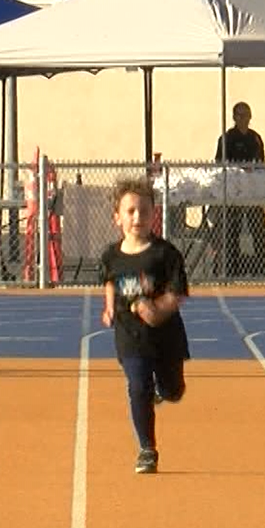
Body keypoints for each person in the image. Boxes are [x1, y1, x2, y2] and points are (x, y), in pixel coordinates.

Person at [99, 179, 190, 475]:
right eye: (130, 211)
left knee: (173, 390)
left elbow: (178, 292)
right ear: (118, 217)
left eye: (144, 211)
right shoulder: (111, 256)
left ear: (154, 215)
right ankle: (147, 448)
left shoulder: (165, 254)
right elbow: (110, 281)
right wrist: (110, 307)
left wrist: (157, 309)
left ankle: (166, 390)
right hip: (130, 336)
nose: (137, 217)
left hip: (165, 337)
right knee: (138, 386)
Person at [215, 101, 265, 277]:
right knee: (232, 230)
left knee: (258, 230)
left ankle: (262, 267)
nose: (244, 118)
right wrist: (238, 169)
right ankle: (232, 268)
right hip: (234, 191)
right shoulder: (227, 138)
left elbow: (261, 163)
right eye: (240, 115)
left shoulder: (255, 138)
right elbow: (219, 163)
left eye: (246, 114)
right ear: (234, 117)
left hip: (252, 191)